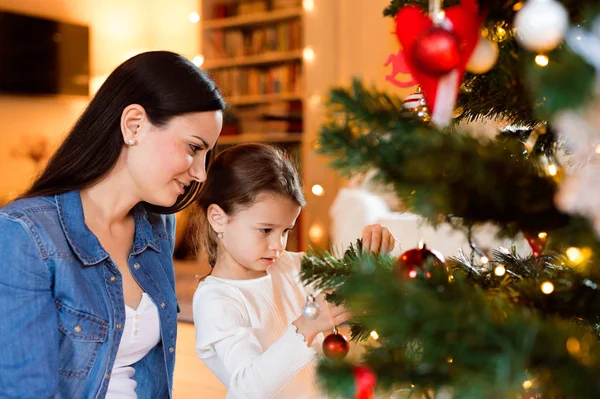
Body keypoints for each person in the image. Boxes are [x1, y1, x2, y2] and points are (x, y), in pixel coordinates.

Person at [0, 51, 225, 398]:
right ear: (134, 125)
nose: (201, 172)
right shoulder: (25, 234)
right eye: (195, 148)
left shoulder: (157, 224)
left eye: (207, 155)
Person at [192, 143, 396, 398]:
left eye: (286, 231)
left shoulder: (292, 265)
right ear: (218, 218)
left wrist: (371, 258)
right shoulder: (217, 300)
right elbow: (247, 388)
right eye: (266, 230)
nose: (278, 245)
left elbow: (349, 286)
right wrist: (307, 327)